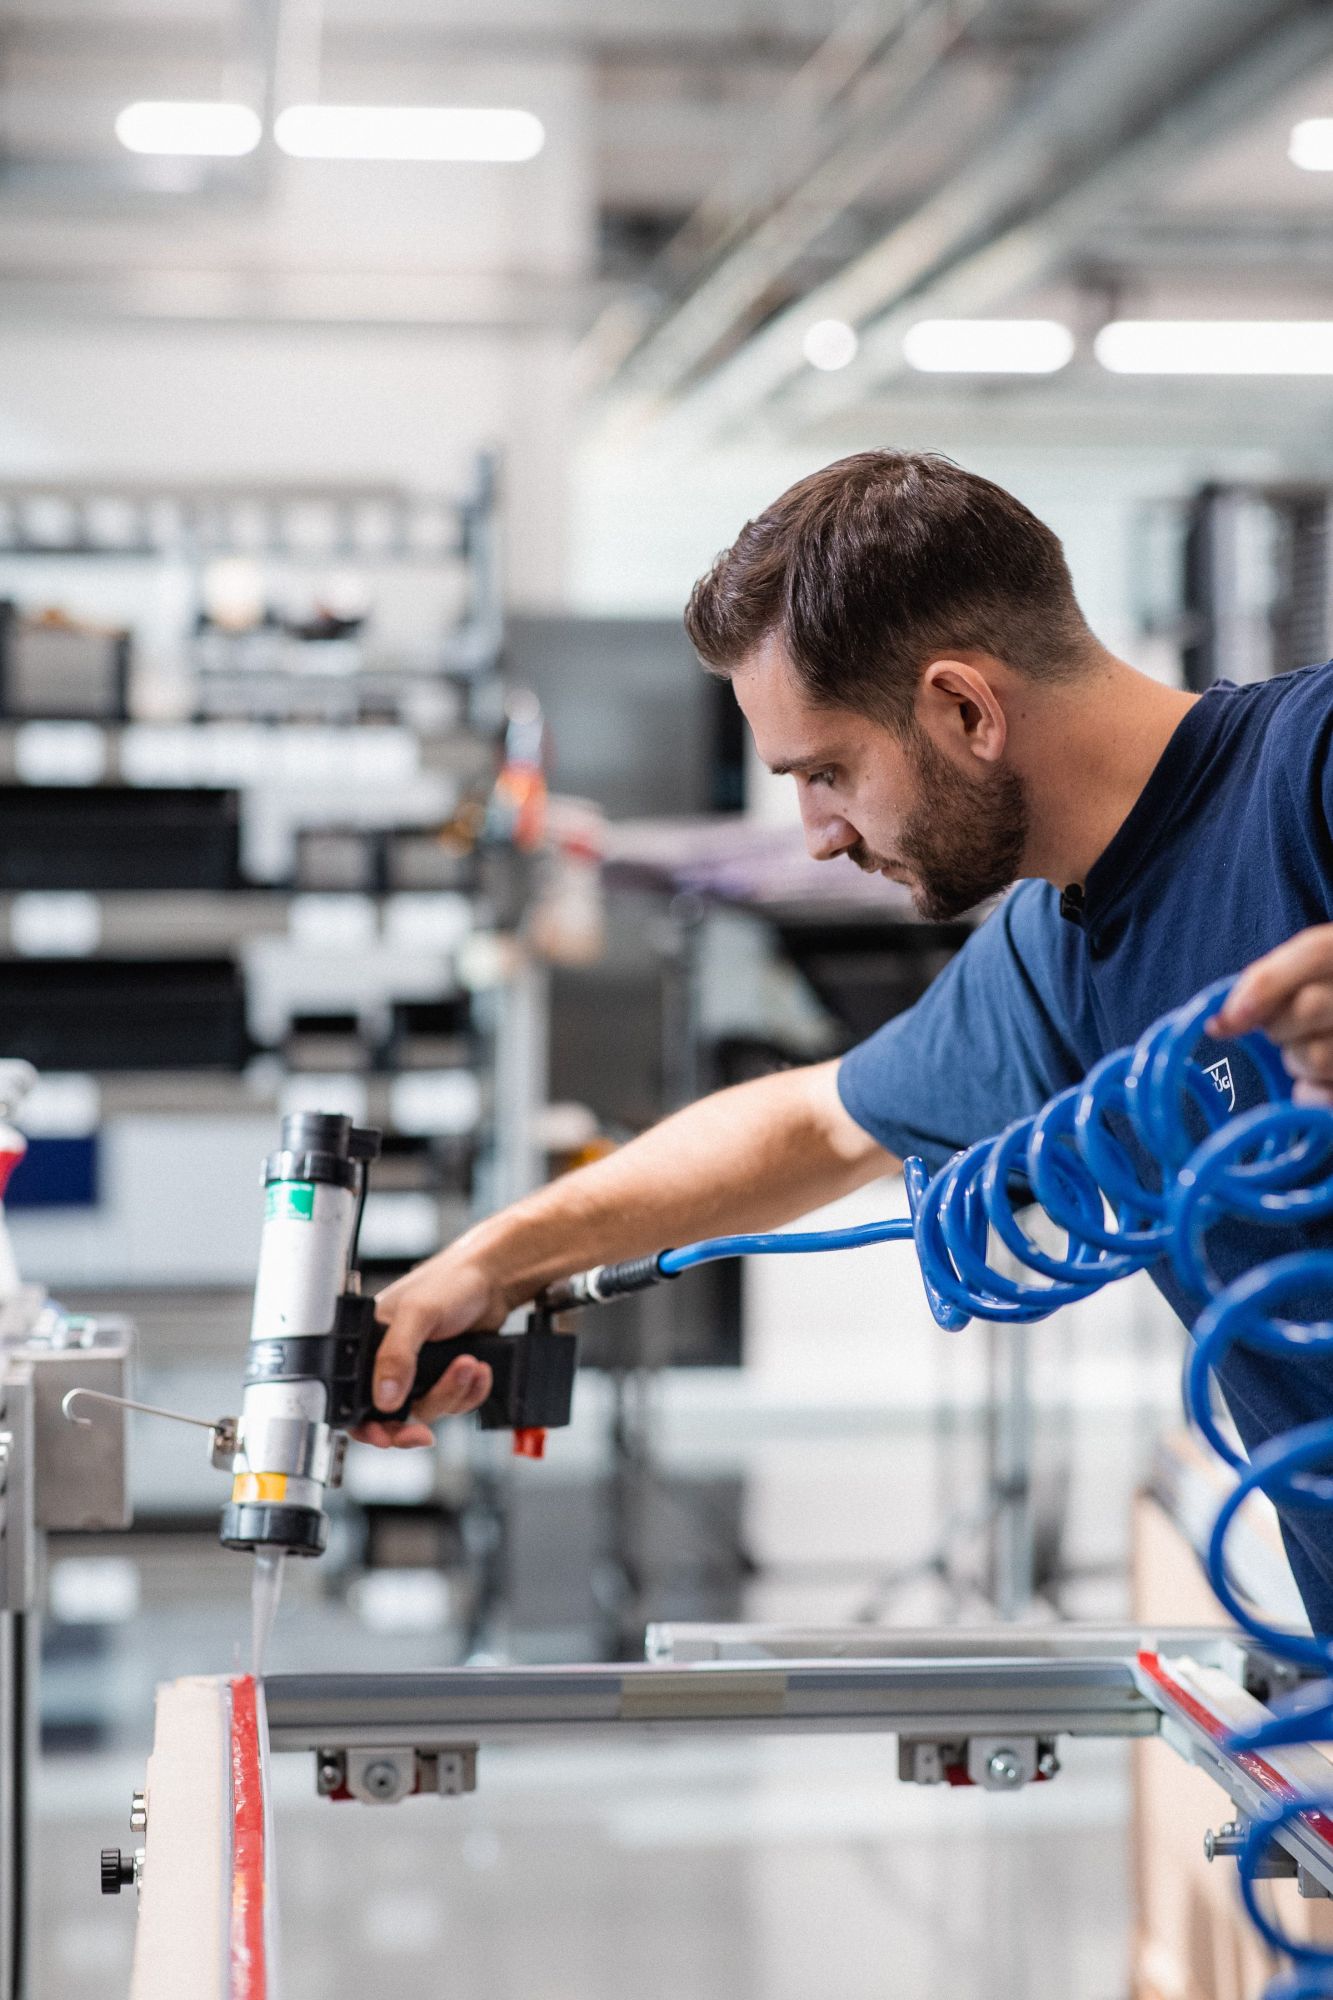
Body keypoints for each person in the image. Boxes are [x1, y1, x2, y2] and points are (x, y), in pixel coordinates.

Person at [362, 449, 1333, 1628]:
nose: (816, 834)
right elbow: (815, 1123)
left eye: (826, 772)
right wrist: (494, 1261)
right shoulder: (1056, 948)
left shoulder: (1308, 772)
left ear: (963, 707)